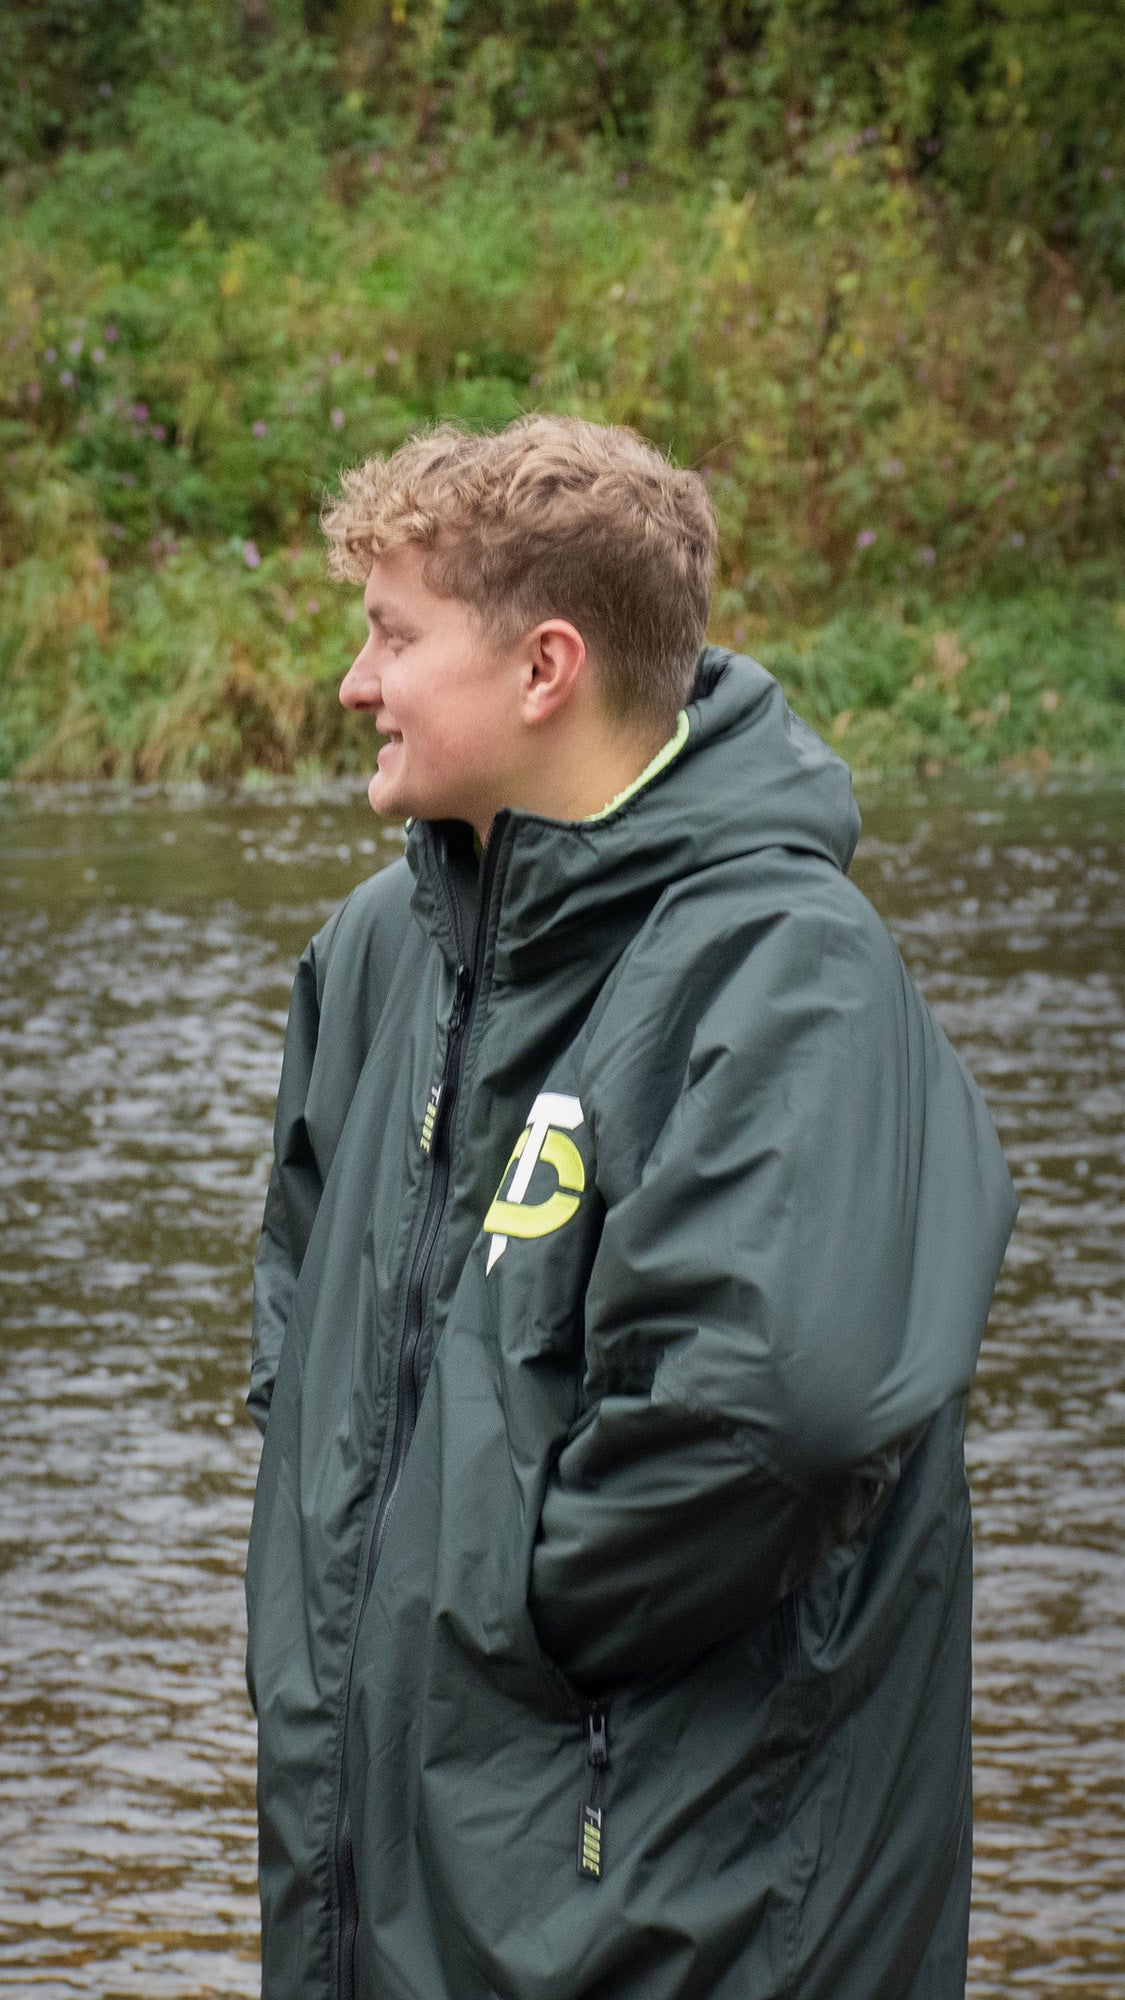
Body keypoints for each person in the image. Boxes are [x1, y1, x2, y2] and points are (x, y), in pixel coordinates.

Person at [245, 415, 1017, 2000]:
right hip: (384, 1857)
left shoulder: (787, 970)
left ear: (544, 668)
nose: (353, 683)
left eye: (391, 636)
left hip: (670, 1889)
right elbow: (304, 1332)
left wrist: (498, 1615)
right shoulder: (376, 951)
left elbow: (781, 1417)